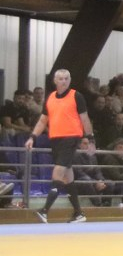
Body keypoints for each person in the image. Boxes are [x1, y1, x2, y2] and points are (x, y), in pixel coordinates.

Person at [25, 69, 94, 223]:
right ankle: (78, 213)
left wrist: (91, 139)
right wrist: (32, 137)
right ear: (55, 81)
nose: (64, 81)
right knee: (68, 177)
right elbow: (43, 120)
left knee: (57, 173)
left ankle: (45, 211)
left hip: (71, 138)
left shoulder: (76, 96)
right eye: (61, 78)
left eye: (66, 78)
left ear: (70, 80)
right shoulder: (50, 97)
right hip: (55, 139)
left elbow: (85, 118)